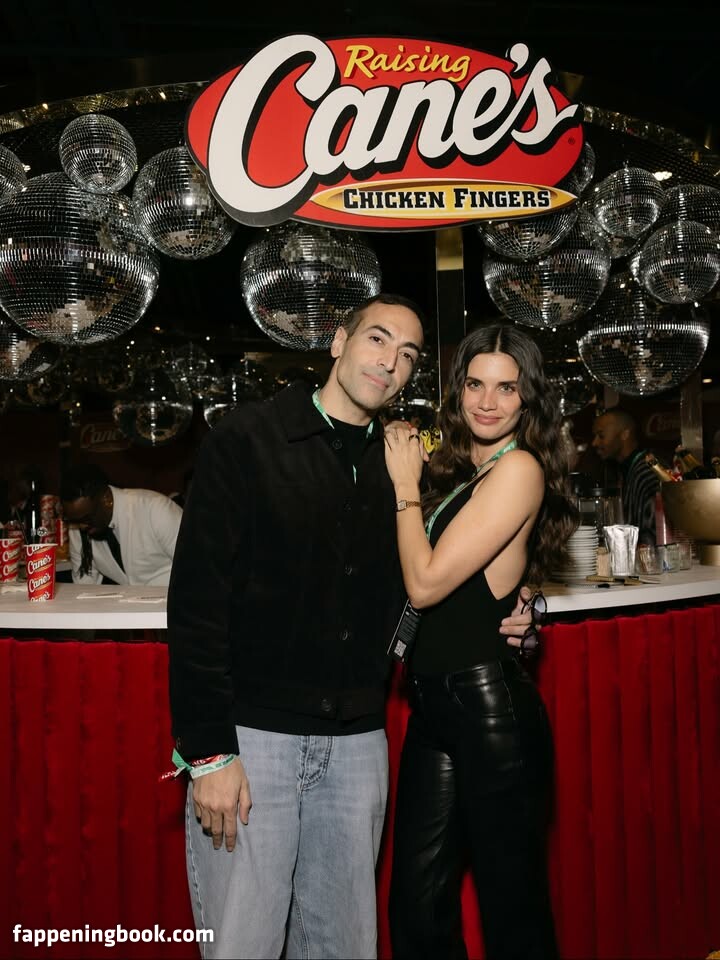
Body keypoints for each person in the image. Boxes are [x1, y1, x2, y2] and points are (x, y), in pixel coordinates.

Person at [165, 293, 537, 960]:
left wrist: (521, 600)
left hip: (359, 746)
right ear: (339, 342)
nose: (389, 361)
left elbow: (460, 553)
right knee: (244, 943)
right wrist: (209, 752)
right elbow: (197, 603)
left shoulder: (410, 462)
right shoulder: (247, 439)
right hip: (256, 742)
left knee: (347, 947)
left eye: (408, 354)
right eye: (377, 339)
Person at [384, 322, 577, 960]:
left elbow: (426, 584)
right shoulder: (467, 468)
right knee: (418, 907)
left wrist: (404, 488)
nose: (487, 402)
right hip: (435, 707)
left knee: (512, 912)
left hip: (488, 709)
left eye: (506, 388)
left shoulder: (518, 467)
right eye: (474, 384)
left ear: (529, 399)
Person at [60, 463, 183, 586]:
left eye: (87, 518)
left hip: (176, 594)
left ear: (106, 499)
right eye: (73, 521)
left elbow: (192, 565)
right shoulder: (79, 527)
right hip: (132, 598)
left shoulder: (156, 509)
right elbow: (84, 586)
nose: (81, 526)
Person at [591, 407, 659, 545]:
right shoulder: (624, 469)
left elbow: (653, 532)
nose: (594, 443)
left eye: (601, 436)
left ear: (624, 434)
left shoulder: (647, 471)